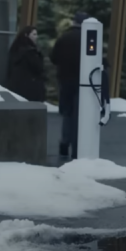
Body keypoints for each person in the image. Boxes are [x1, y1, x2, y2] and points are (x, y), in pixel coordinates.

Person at [51, 12, 87, 158]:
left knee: (67, 113)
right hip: (82, 81)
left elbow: (54, 57)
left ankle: (64, 143)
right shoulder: (87, 38)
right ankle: (77, 147)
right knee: (79, 114)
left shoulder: (63, 38)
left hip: (65, 80)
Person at [6, 26, 46, 102]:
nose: (36, 37)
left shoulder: (15, 50)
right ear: (26, 35)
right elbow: (38, 68)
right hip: (32, 89)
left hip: (16, 87)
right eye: (34, 34)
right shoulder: (30, 52)